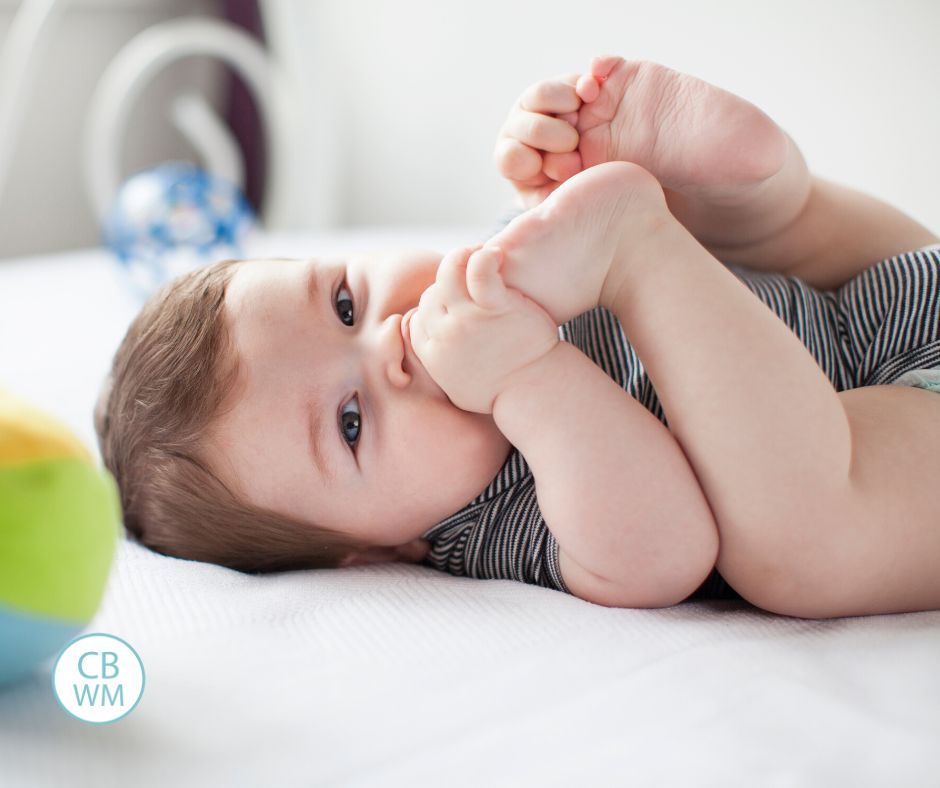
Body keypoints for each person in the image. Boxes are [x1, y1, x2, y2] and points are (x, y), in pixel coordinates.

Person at [95, 57, 940, 619]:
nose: (391, 340)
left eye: (347, 303)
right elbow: (663, 551)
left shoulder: (510, 264)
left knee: (754, 255)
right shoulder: (480, 524)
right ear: (377, 550)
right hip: (894, 414)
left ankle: (751, 198)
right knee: (798, 546)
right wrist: (530, 376)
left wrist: (565, 170)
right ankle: (684, 234)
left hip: (867, 298)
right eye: (351, 423)